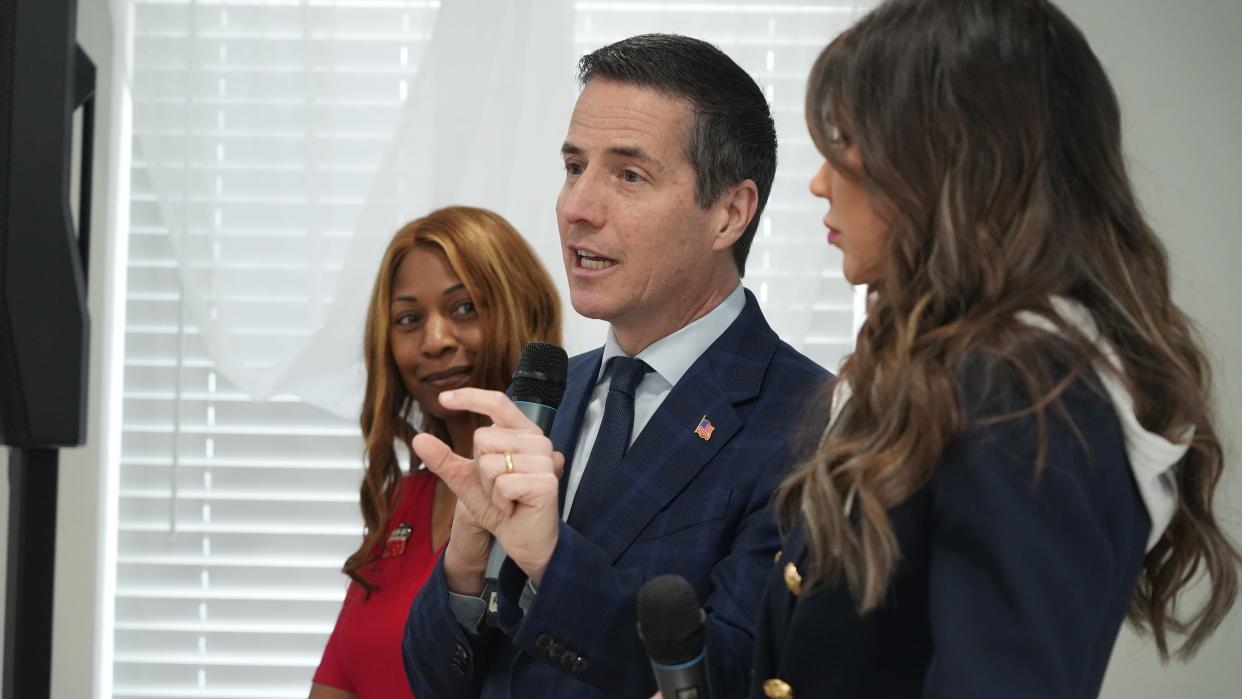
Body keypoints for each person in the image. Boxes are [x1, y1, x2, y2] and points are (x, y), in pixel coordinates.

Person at [751, 1, 1242, 697]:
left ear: (946, 157)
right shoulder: (963, 370)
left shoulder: (1024, 388)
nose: (820, 179)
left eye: (847, 142)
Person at [402, 34, 828, 698]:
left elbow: (738, 673)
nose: (577, 207)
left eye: (628, 174)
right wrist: (462, 563)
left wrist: (548, 558)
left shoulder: (812, 423)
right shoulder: (550, 392)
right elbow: (438, 681)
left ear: (729, 213)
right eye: (575, 167)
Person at [310, 206, 561, 699]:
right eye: (409, 319)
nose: (435, 341)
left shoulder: (560, 486)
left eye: (464, 308)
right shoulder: (400, 504)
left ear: (524, 309)